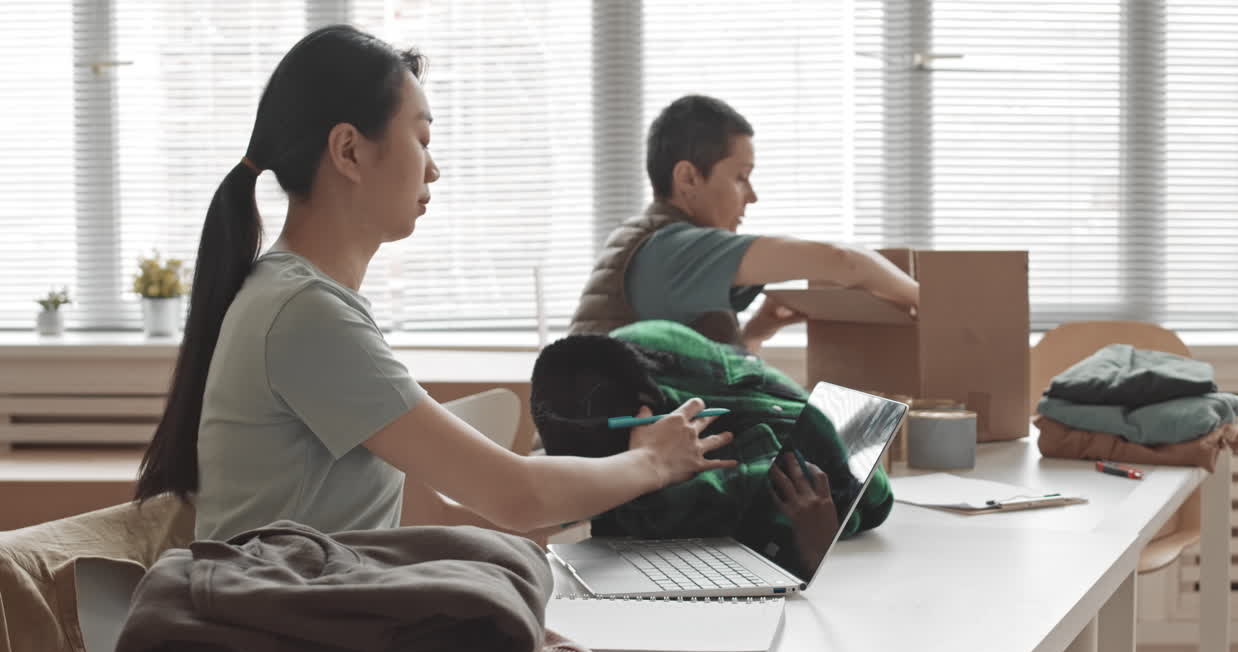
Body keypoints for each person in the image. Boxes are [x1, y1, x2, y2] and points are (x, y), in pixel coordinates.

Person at [134, 25, 736, 542]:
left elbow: (430, 515)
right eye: (421, 139)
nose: (435, 167)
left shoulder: (301, 299)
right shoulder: (304, 312)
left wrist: (561, 517)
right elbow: (514, 495)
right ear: (349, 151)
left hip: (304, 629)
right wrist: (655, 460)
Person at [569, 94, 920, 352]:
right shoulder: (672, 251)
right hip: (607, 453)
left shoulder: (646, 241)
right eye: (741, 177)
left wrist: (754, 335)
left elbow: (708, 385)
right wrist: (928, 301)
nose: (751, 196)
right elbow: (843, 261)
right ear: (688, 177)